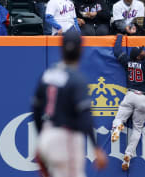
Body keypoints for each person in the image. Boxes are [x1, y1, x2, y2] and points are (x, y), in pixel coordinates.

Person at [32, 30, 108, 177]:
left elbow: (35, 109)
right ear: (81, 50)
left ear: (61, 48)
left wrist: (41, 138)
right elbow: (85, 116)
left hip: (47, 136)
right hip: (66, 139)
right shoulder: (77, 79)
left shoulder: (48, 75)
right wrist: (96, 147)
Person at [111, 31, 145, 171]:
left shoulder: (128, 63)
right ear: (138, 56)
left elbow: (117, 51)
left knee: (119, 119)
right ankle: (128, 155)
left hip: (130, 96)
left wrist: (119, 37)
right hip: (142, 98)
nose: (143, 51)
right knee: (137, 129)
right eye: (141, 50)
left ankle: (117, 128)